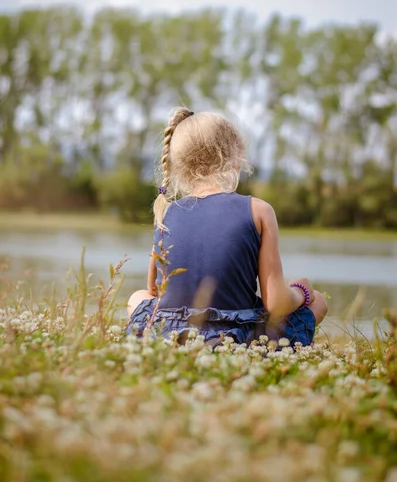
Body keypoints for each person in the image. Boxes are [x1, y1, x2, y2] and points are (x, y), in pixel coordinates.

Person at [126, 107, 328, 347]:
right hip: (234, 339)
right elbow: (275, 303)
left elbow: (155, 292)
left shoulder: (166, 212)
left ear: (178, 163)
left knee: (136, 297)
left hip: (170, 336)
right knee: (320, 302)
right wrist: (301, 292)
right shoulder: (259, 210)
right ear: (236, 156)